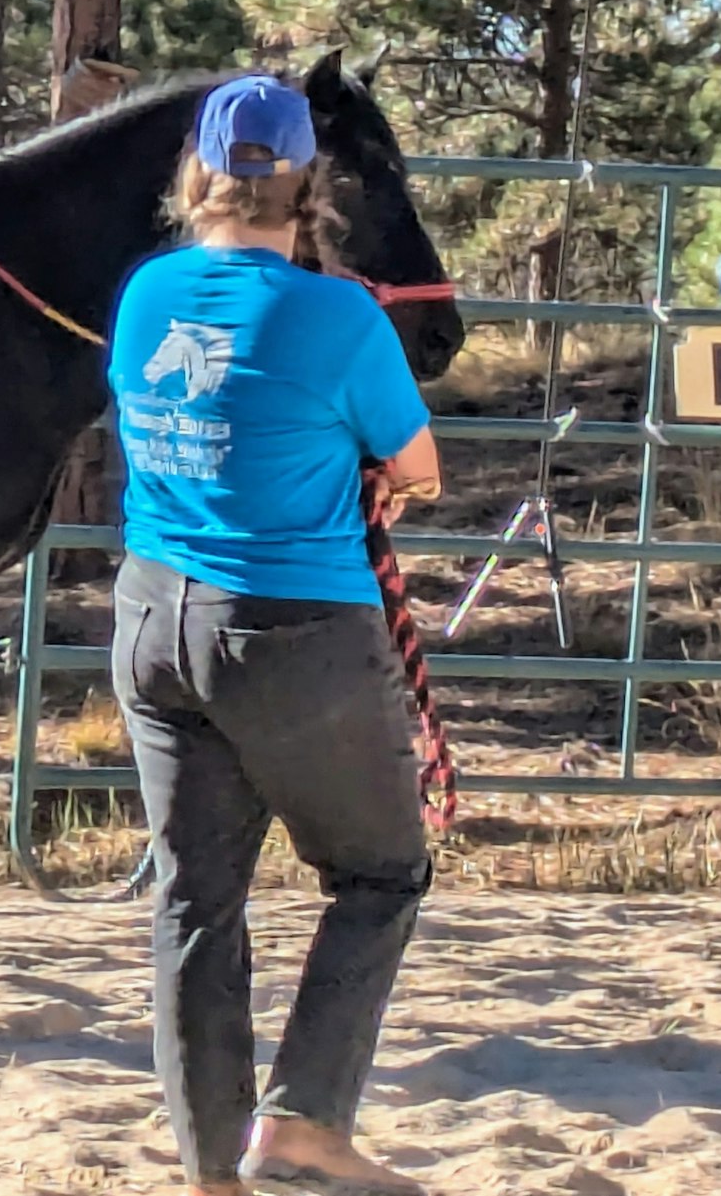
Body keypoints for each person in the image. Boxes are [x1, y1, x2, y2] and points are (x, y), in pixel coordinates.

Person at [105, 73, 443, 1196]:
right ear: (306, 180)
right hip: (290, 624)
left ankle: (211, 1169)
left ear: (195, 174)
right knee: (379, 873)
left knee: (196, 898)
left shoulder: (146, 294)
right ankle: (301, 1121)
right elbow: (416, 468)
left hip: (155, 613)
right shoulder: (338, 314)